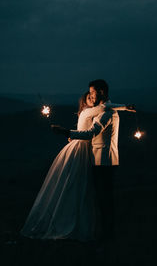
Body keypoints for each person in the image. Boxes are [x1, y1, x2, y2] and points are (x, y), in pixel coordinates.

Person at [20, 90, 134, 242]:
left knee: (81, 186)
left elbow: (107, 108)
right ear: (84, 100)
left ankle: (81, 224)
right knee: (73, 184)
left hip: (84, 149)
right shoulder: (87, 112)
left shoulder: (97, 111)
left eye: (93, 97)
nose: (92, 98)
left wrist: (125, 107)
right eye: (89, 97)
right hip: (78, 148)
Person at [51, 79, 135, 243]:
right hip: (99, 161)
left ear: (101, 92)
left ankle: (107, 235)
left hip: (104, 162)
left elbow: (91, 133)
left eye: (92, 92)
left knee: (104, 200)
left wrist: (66, 132)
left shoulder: (107, 113)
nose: (90, 95)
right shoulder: (102, 110)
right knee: (100, 199)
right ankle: (103, 232)